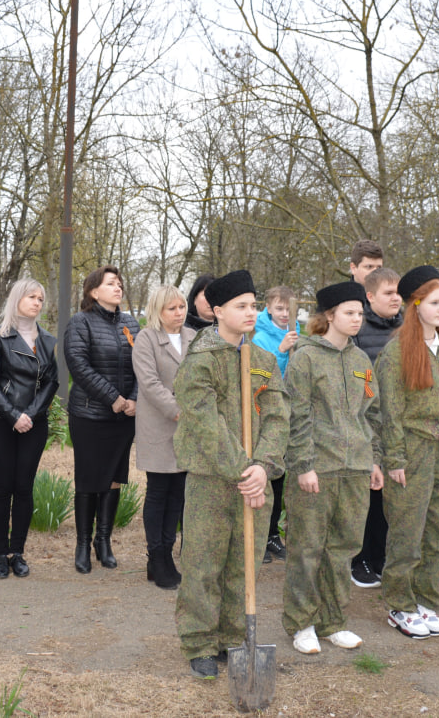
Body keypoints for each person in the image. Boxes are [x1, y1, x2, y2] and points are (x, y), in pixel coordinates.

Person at [173, 270, 287, 679]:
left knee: (245, 563)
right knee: (204, 563)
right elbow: (206, 424)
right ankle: (200, 641)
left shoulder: (262, 361)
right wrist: (243, 470)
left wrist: (264, 466)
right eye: (241, 306)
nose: (251, 312)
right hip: (212, 480)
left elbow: (278, 416)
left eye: (254, 305)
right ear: (217, 311)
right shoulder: (200, 362)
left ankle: (232, 637)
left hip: (256, 479)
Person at [282, 281, 383, 654]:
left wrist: (374, 459)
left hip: (355, 467)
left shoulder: (360, 360)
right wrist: (304, 465)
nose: (358, 319)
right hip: (317, 468)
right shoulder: (305, 357)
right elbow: (297, 415)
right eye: (350, 313)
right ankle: (301, 622)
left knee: (342, 548)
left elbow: (373, 414)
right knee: (307, 548)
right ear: (329, 316)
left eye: (360, 313)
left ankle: (333, 621)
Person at [379, 266, 439, 640]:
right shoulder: (396, 352)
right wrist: (395, 460)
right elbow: (390, 412)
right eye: (434, 302)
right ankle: (400, 604)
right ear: (415, 305)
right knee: (407, 531)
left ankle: (425, 599)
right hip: (413, 452)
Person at [62, 265, 141, 574]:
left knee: (113, 478)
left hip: (124, 418)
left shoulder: (131, 324)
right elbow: (78, 365)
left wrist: (133, 398)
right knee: (88, 480)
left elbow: (141, 365)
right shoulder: (80, 322)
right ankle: (82, 544)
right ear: (94, 292)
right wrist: (114, 398)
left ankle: (103, 541)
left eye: (119, 283)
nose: (118, 287)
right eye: (111, 283)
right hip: (90, 415)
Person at [0, 279, 58, 580]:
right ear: (17, 299)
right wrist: (13, 414)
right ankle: (1, 555)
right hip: (1, 423)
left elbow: (52, 381)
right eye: (31, 297)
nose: (37, 302)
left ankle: (19, 553)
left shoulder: (48, 340)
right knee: (2, 489)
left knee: (24, 488)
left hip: (33, 425)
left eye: (41, 298)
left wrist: (31, 414)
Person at [133, 284, 196, 590]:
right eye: (172, 308)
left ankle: (166, 554)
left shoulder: (192, 338)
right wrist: (178, 410)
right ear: (158, 311)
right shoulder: (146, 339)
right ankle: (156, 555)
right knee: (159, 490)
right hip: (159, 425)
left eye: (182, 307)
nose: (179, 313)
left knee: (178, 492)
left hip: (187, 429)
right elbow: (149, 382)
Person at [351, 266, 402, 589]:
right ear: (370, 296)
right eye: (388, 293)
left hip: (398, 423)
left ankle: (382, 557)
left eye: (398, 292)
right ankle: (360, 560)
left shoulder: (407, 327)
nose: (396, 298)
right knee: (368, 498)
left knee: (390, 500)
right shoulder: (358, 328)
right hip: (368, 422)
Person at [253, 285, 300, 564]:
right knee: (265, 476)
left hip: (290, 417)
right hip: (267, 416)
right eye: (280, 309)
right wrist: (282, 351)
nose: (284, 314)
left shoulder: (295, 334)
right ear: (268, 308)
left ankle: (273, 534)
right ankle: (259, 536)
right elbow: (264, 379)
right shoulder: (260, 338)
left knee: (280, 480)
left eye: (289, 309)